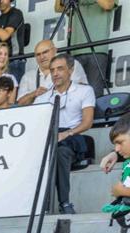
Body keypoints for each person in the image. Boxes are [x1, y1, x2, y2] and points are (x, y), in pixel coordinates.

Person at [35, 54, 95, 215]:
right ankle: (37, 203)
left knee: (60, 151)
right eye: (52, 70)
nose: (55, 73)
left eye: (60, 69)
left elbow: (87, 122)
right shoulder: (42, 98)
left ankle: (64, 202)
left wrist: (66, 134)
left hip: (72, 137)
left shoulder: (84, 90)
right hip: (49, 138)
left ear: (71, 70)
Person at [18, 40, 89, 105]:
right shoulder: (28, 76)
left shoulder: (70, 64)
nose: (42, 57)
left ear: (55, 51)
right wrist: (34, 94)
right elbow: (20, 104)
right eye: (38, 54)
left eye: (45, 52)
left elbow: (82, 90)